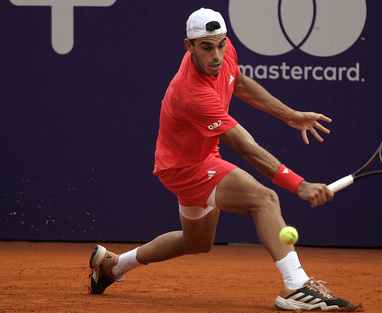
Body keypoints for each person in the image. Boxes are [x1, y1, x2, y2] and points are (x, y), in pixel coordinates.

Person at [89, 8, 355, 311]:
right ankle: (295, 285)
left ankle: (112, 266)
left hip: (197, 156)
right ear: (189, 47)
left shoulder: (222, 53)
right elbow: (246, 147)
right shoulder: (192, 94)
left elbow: (237, 81)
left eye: (221, 44)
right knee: (264, 199)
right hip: (186, 168)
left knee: (196, 243)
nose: (216, 54)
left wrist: (289, 115)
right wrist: (300, 185)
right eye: (206, 47)